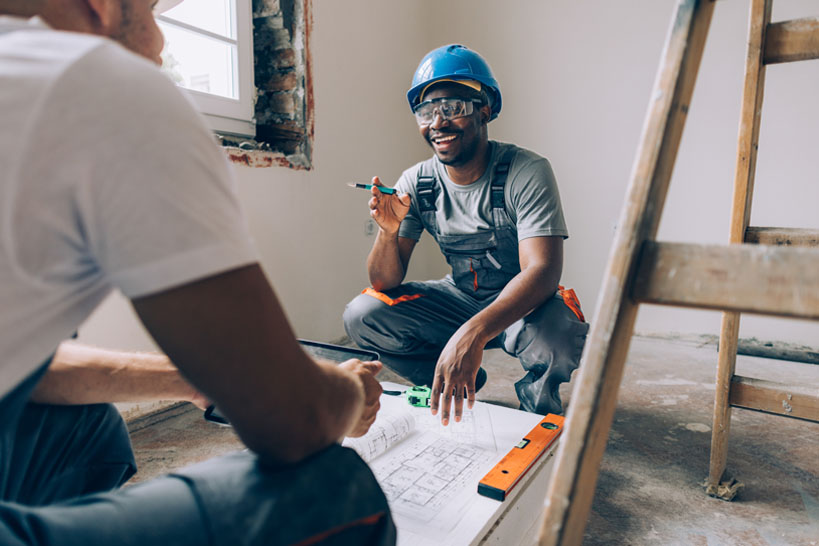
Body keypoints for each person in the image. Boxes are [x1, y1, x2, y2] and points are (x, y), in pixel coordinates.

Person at [0, 0, 394, 544]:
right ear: (103, 5)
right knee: (336, 489)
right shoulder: (98, 83)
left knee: (88, 428)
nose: (161, 43)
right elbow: (295, 420)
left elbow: (30, 367)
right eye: (153, 10)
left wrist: (193, 378)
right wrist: (348, 396)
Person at [344, 44, 589, 426]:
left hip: (524, 306)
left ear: (485, 109)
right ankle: (452, 382)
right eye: (426, 112)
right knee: (364, 313)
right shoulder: (417, 182)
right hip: (458, 297)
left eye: (452, 108)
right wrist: (387, 233)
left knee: (558, 331)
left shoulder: (526, 171)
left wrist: (472, 334)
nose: (437, 123)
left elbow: (542, 271)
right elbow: (384, 281)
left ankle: (539, 418)